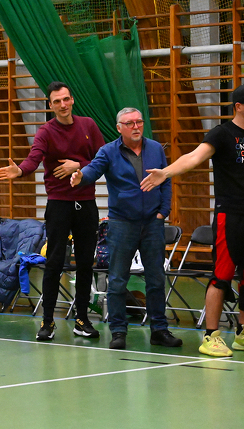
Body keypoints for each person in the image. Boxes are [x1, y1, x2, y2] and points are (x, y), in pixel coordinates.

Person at [141, 84, 244, 357]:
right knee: (221, 276)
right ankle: (211, 336)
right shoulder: (222, 134)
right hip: (229, 216)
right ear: (239, 106)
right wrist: (166, 172)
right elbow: (194, 157)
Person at [0, 81, 105, 341]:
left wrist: (78, 165)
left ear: (72, 100)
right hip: (59, 204)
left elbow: (103, 159)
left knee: (85, 263)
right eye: (57, 101)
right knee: (54, 262)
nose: (63, 105)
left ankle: (82, 320)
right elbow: (33, 159)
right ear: (50, 105)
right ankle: (47, 322)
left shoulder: (88, 125)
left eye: (66, 99)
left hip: (86, 203)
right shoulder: (45, 132)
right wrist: (20, 170)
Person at [71, 107, 182, 350]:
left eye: (139, 122)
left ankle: (159, 330)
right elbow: (93, 169)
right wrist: (81, 177)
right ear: (119, 128)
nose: (136, 126)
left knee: (156, 279)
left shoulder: (155, 148)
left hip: (152, 223)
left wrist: (164, 211)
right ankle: (118, 331)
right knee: (118, 280)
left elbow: (165, 179)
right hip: (122, 223)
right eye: (129, 123)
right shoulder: (108, 151)